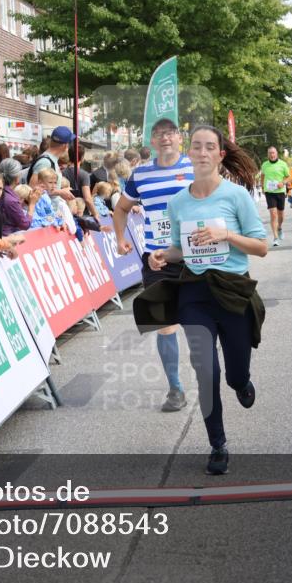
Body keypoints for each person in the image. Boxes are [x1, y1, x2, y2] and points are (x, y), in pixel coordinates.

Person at [140, 126, 267, 475]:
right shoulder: (178, 202)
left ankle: (241, 382)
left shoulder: (237, 196)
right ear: (189, 154)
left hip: (232, 289)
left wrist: (226, 234)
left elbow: (262, 247)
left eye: (210, 147)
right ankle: (218, 444)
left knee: (233, 373)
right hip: (195, 291)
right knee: (206, 370)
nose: (202, 152)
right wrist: (162, 255)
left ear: (219, 155)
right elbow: (182, 248)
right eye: (196, 146)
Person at [113, 118, 194, 413]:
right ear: (151, 141)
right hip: (156, 260)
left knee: (201, 323)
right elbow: (121, 208)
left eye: (170, 134)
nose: (164, 139)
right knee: (165, 325)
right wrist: (121, 238)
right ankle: (175, 388)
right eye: (158, 135)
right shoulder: (140, 174)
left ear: (179, 137)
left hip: (194, 258)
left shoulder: (194, 168)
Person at [259, 146, 288, 246]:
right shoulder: (264, 165)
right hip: (269, 192)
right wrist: (262, 187)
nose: (272, 155)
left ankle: (279, 227)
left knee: (281, 214)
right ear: (268, 154)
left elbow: (288, 177)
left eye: (273, 153)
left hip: (280, 191)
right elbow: (262, 176)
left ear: (276, 154)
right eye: (270, 153)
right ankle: (275, 237)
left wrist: (283, 183)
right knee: (273, 213)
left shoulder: (283, 164)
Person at [0, 158, 36, 235]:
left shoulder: (0, 191)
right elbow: (25, 224)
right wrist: (32, 204)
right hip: (8, 236)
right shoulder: (10, 200)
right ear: (16, 178)